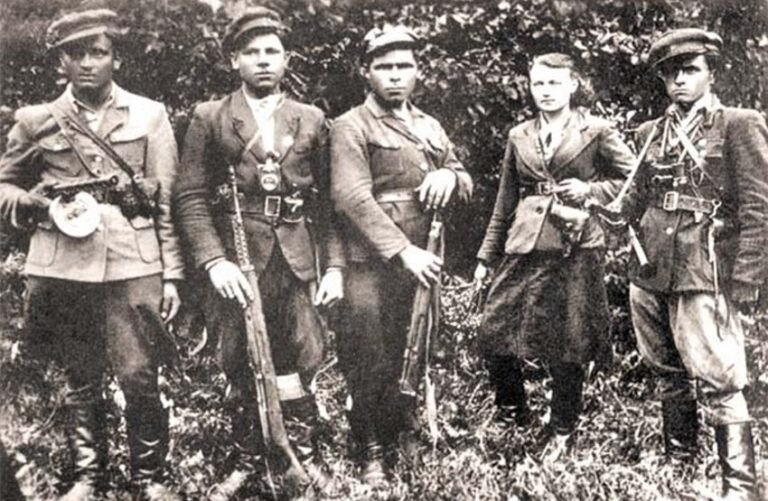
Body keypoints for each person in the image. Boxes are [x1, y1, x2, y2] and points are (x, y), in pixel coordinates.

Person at [0, 8, 184, 501]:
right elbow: (3, 185)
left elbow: (165, 201)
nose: (86, 63)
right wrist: (34, 205)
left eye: (97, 52)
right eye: (75, 54)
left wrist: (172, 274)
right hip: (64, 263)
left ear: (116, 59)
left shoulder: (149, 115)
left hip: (133, 261)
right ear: (60, 61)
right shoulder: (36, 121)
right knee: (79, 375)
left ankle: (150, 477)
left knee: (139, 373)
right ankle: (89, 476)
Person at [173, 6, 344, 499]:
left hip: (295, 255)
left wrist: (334, 266)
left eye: (272, 51)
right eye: (252, 52)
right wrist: (214, 260)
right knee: (238, 355)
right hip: (237, 257)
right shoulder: (211, 117)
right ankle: (248, 457)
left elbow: (329, 204)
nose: (263, 60)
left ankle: (301, 454)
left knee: (301, 352)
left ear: (286, 58)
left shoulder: (311, 119)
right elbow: (190, 196)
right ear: (235, 60)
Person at [614, 28, 768, 500]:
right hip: (650, 269)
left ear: (710, 73)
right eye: (670, 73)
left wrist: (747, 277)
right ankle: (678, 468)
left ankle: (740, 485)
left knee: (721, 376)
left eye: (690, 70)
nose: (679, 80)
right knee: (666, 370)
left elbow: (759, 208)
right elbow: (637, 199)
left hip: (704, 270)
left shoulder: (738, 124)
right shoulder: (650, 133)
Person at [329, 24, 473, 487]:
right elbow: (351, 198)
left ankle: (405, 431)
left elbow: (462, 175)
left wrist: (450, 177)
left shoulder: (429, 125)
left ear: (417, 72)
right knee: (368, 353)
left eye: (404, 66)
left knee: (414, 345)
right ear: (366, 72)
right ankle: (370, 446)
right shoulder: (351, 125)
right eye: (385, 67)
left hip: (424, 257)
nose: (395, 75)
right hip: (369, 262)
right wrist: (403, 251)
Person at [474, 52, 634, 456]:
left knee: (570, 337)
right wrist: (485, 257)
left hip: (576, 243)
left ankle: (563, 427)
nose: (545, 91)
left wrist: (590, 191)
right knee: (495, 328)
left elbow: (633, 179)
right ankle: (513, 415)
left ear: (573, 85)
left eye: (554, 83)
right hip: (525, 241)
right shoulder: (519, 135)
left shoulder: (596, 129)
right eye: (538, 83)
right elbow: (504, 200)